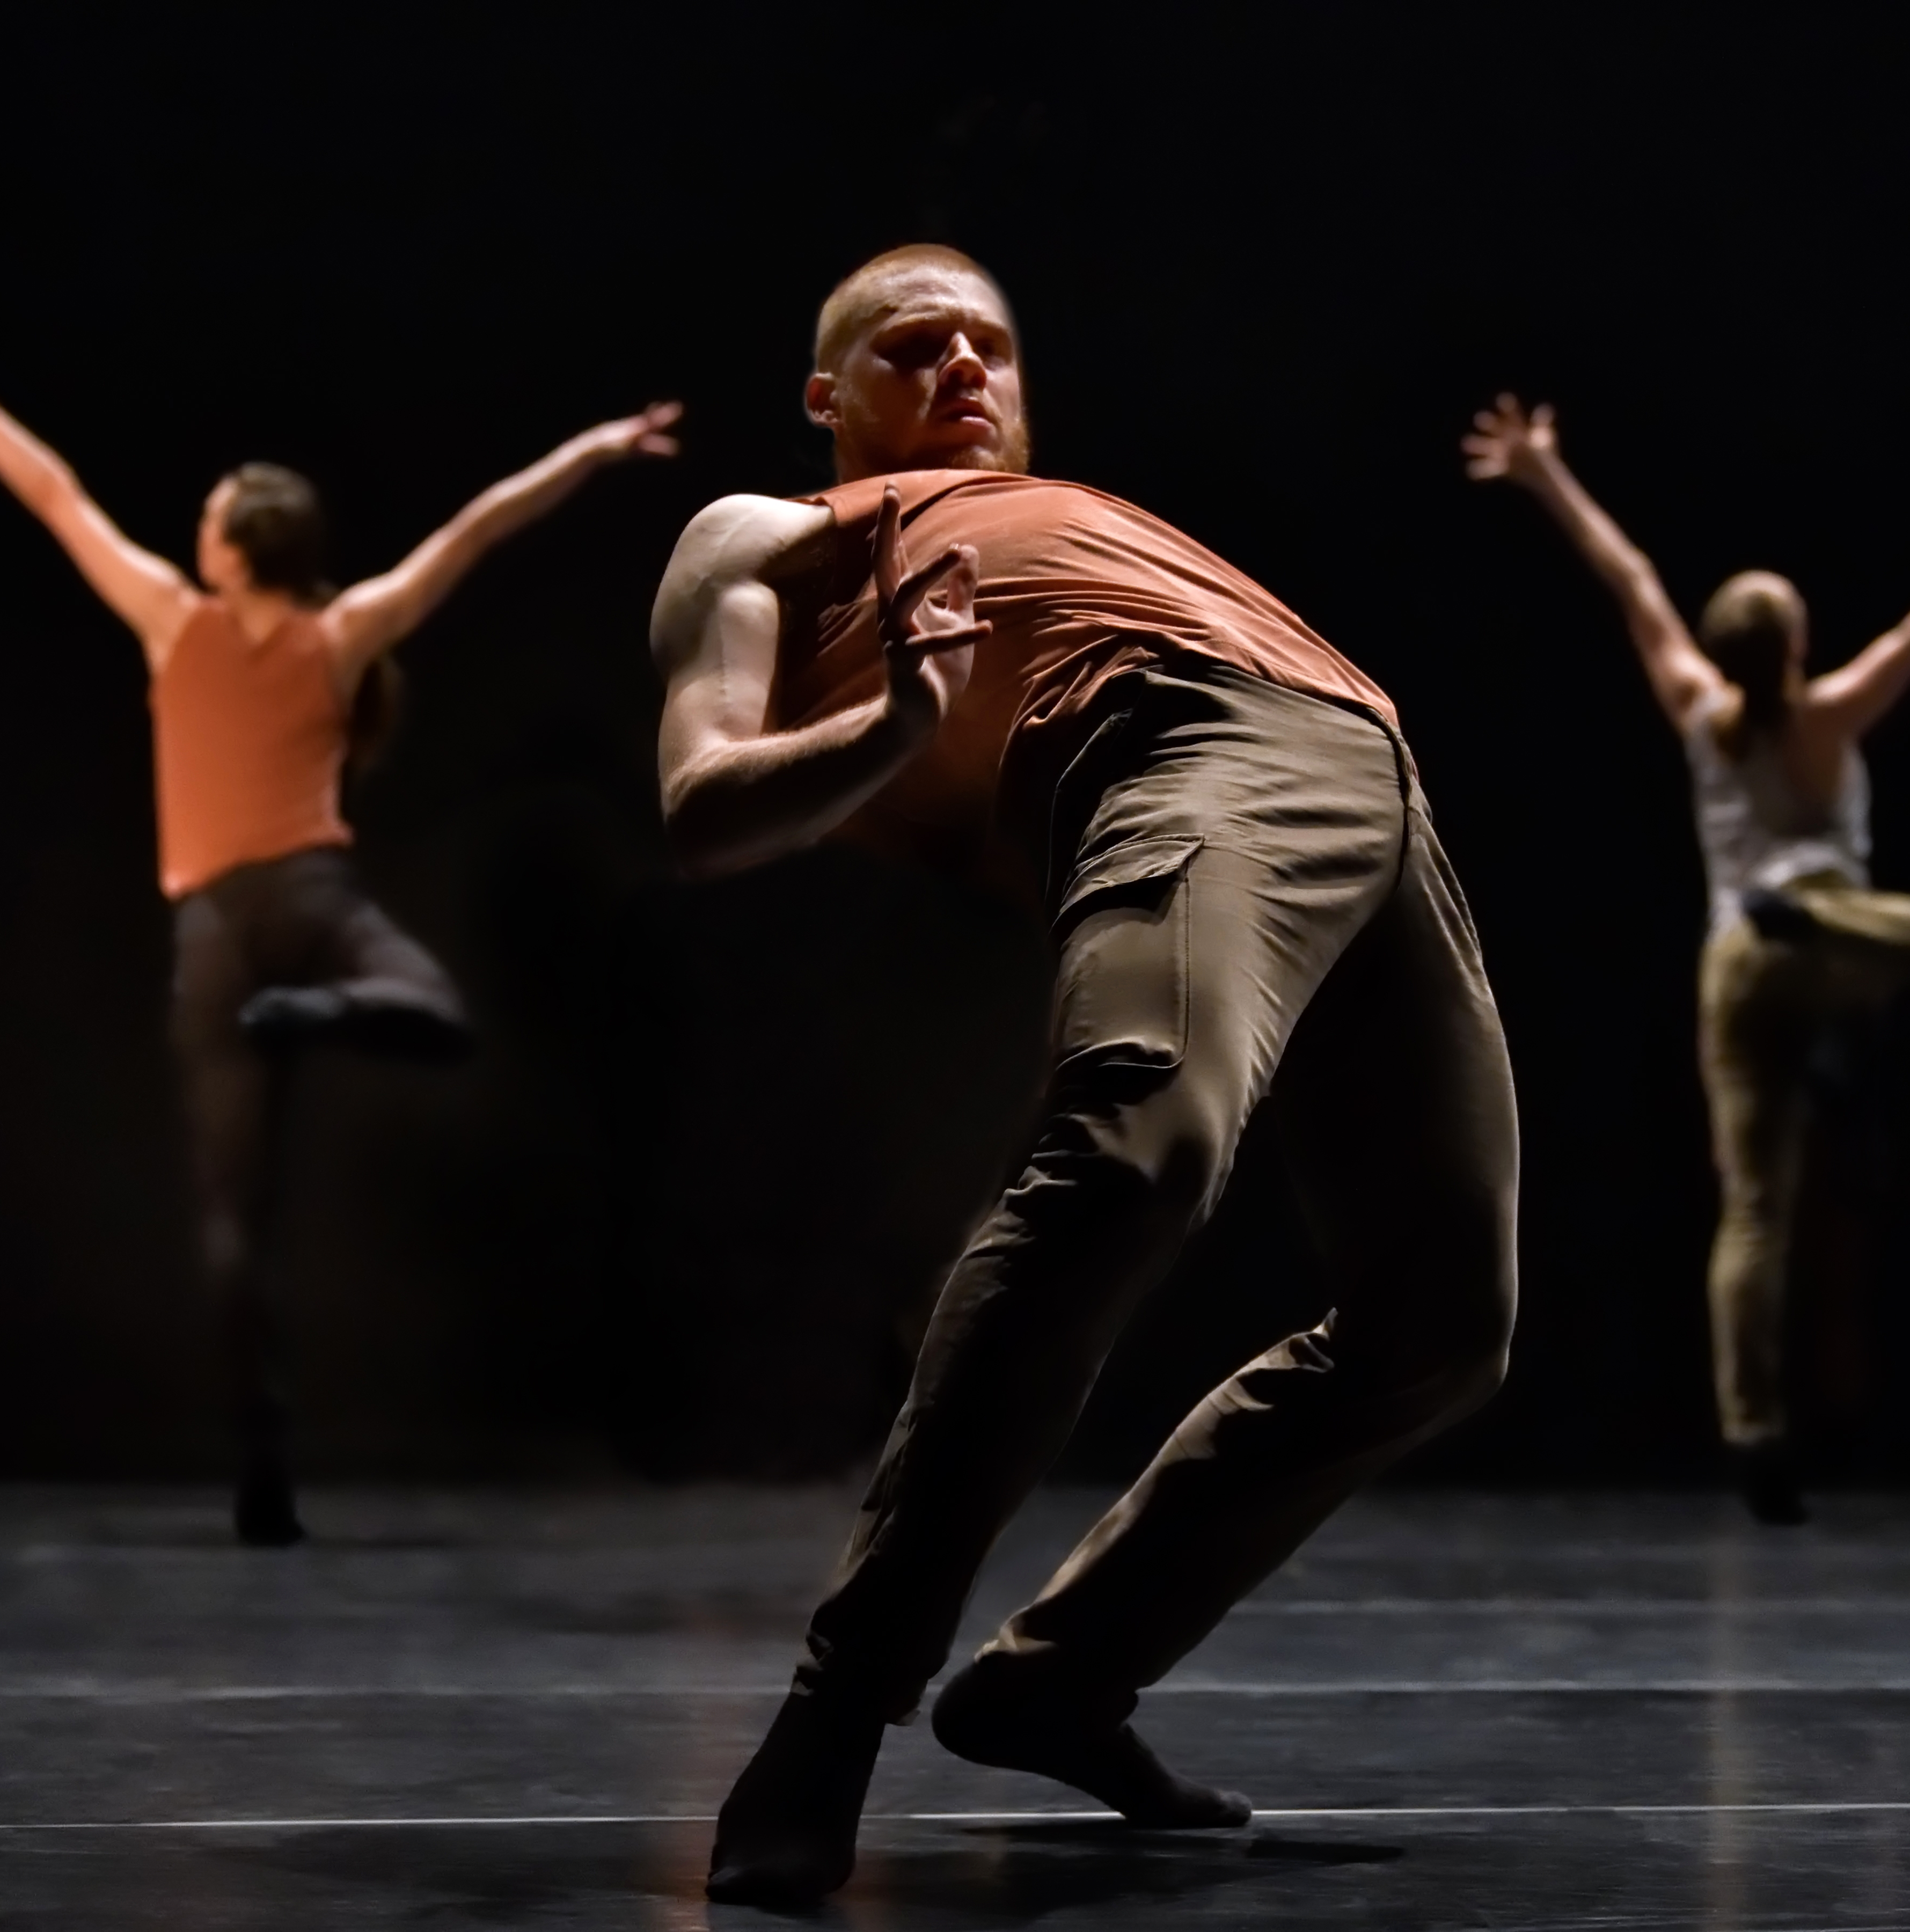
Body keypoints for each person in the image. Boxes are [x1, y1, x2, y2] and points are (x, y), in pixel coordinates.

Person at [650, 246, 1518, 1903]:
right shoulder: (770, 534)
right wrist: (896, 727)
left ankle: (1060, 1676)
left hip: (1375, 780)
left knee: (1446, 1326)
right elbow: (702, 804)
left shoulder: (1063, 501)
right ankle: (837, 1714)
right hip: (1171, 743)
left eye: (991, 344)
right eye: (915, 346)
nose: (965, 367)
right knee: (1137, 1149)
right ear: (830, 396)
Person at [0, 320, 680, 1545]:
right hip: (311, 910)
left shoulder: (171, 620)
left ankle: (264, 1469)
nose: (194, 529)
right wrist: (594, 452)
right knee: (432, 1015)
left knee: (233, 1217)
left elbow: (57, 499)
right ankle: (334, 1010)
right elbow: (479, 529)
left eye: (209, 515)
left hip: (220, 934)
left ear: (239, 546)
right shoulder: (339, 634)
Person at [1466, 396, 1910, 1526]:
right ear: (1791, 647)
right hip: (1828, 946)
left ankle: (1753, 1428)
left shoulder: (1695, 705)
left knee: (1754, 1208)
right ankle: (1819, 916)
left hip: (1732, 964)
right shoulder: (1824, 714)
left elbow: (1629, 576)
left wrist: (1544, 474)